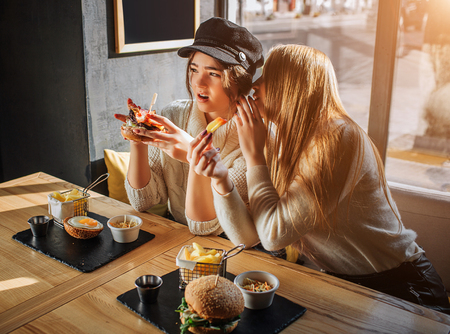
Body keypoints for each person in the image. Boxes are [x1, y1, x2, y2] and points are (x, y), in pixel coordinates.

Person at [188, 44, 450, 314]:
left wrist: (254, 156)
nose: (256, 84)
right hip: (345, 285)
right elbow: (249, 237)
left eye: (269, 76)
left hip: (402, 287)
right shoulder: (284, 140)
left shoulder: (338, 138)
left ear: (292, 86)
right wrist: (220, 180)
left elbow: (273, 236)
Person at [114, 17, 264, 235]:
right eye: (194, 69)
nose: (198, 83)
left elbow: (206, 228)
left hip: (229, 249)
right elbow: (143, 201)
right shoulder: (173, 114)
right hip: (174, 236)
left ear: (239, 80)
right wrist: (139, 137)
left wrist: (192, 154)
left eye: (213, 73)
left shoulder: (255, 137)